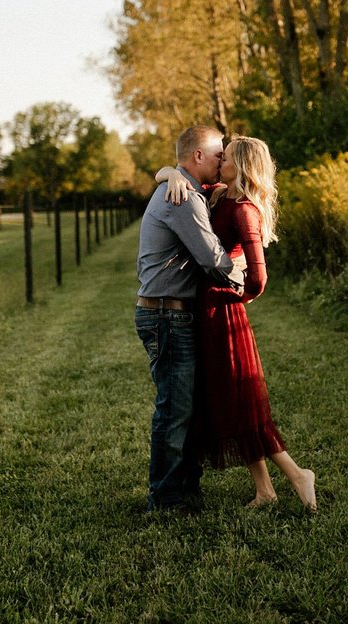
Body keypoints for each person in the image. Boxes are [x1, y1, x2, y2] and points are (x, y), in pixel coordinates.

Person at [158, 136, 317, 512]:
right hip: (207, 314)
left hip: (224, 315)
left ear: (240, 165)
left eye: (225, 157)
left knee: (242, 404)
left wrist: (232, 299)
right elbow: (171, 170)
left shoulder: (244, 209)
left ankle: (297, 474)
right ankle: (264, 489)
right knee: (229, 403)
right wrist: (170, 174)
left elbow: (259, 278)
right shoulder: (220, 195)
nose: (219, 160)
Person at [135, 125, 244, 513]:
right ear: (198, 156)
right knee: (174, 409)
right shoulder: (181, 197)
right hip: (166, 314)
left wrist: (168, 171)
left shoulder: (188, 188)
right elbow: (212, 259)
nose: (221, 161)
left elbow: (224, 193)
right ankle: (164, 501)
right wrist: (245, 276)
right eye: (218, 154)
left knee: (188, 407)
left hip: (175, 313)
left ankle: (184, 489)